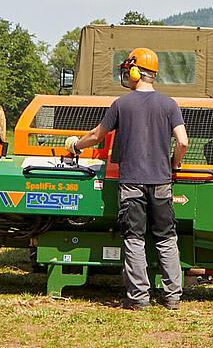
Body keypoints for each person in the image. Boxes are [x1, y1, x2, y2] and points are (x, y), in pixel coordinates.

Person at [67, 48, 190, 310]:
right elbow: (183, 141)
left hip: (132, 182)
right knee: (166, 237)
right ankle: (172, 297)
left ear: (135, 72)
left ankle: (138, 298)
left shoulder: (121, 104)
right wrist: (173, 163)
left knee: (134, 238)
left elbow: (97, 136)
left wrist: (75, 146)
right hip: (161, 183)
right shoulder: (169, 104)